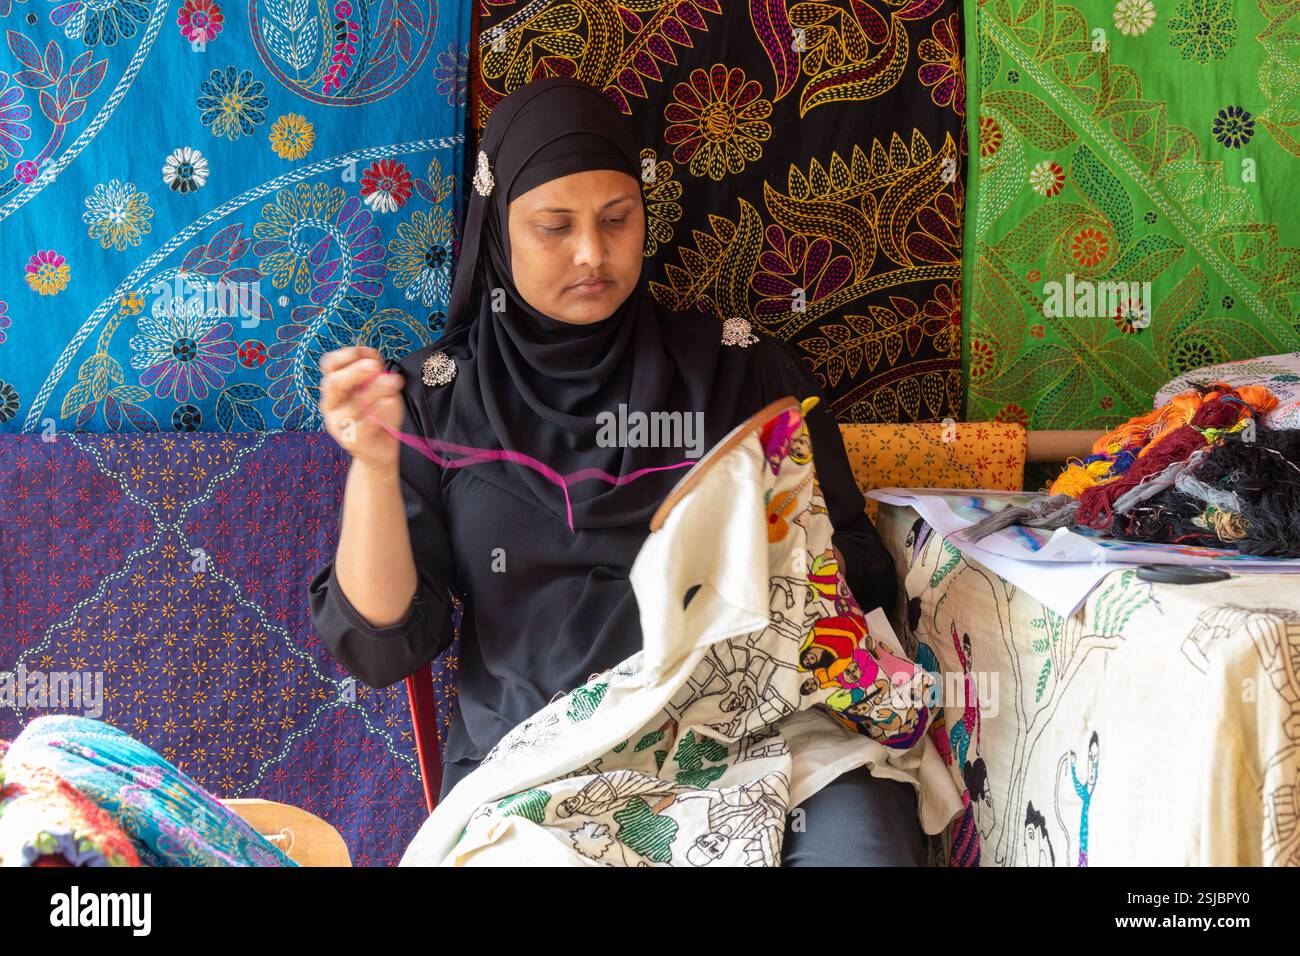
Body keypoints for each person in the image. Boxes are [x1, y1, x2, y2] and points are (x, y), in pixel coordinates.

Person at [307, 76, 925, 866]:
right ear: (498, 229)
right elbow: (384, 643)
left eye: (617, 219)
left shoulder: (743, 373)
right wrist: (372, 464)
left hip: (764, 743)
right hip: (542, 774)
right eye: (553, 227)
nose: (592, 254)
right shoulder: (438, 403)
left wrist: (773, 560)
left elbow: (855, 576)